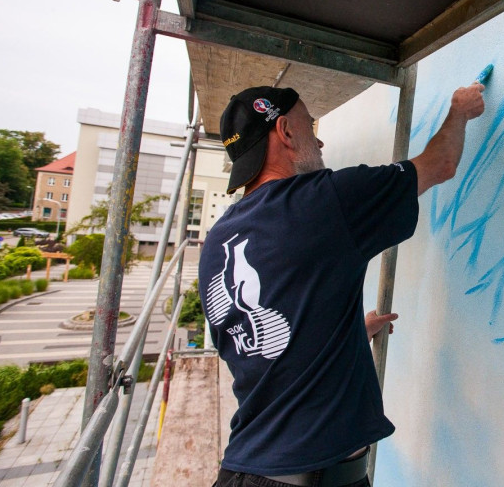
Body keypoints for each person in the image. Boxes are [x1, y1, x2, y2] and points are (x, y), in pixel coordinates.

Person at [200, 80, 485, 487]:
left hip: (248, 469)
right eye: (311, 128)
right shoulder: (324, 200)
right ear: (285, 131)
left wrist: (347, 333)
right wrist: (459, 110)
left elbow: (258, 339)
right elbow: (439, 164)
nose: (320, 144)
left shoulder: (219, 239)